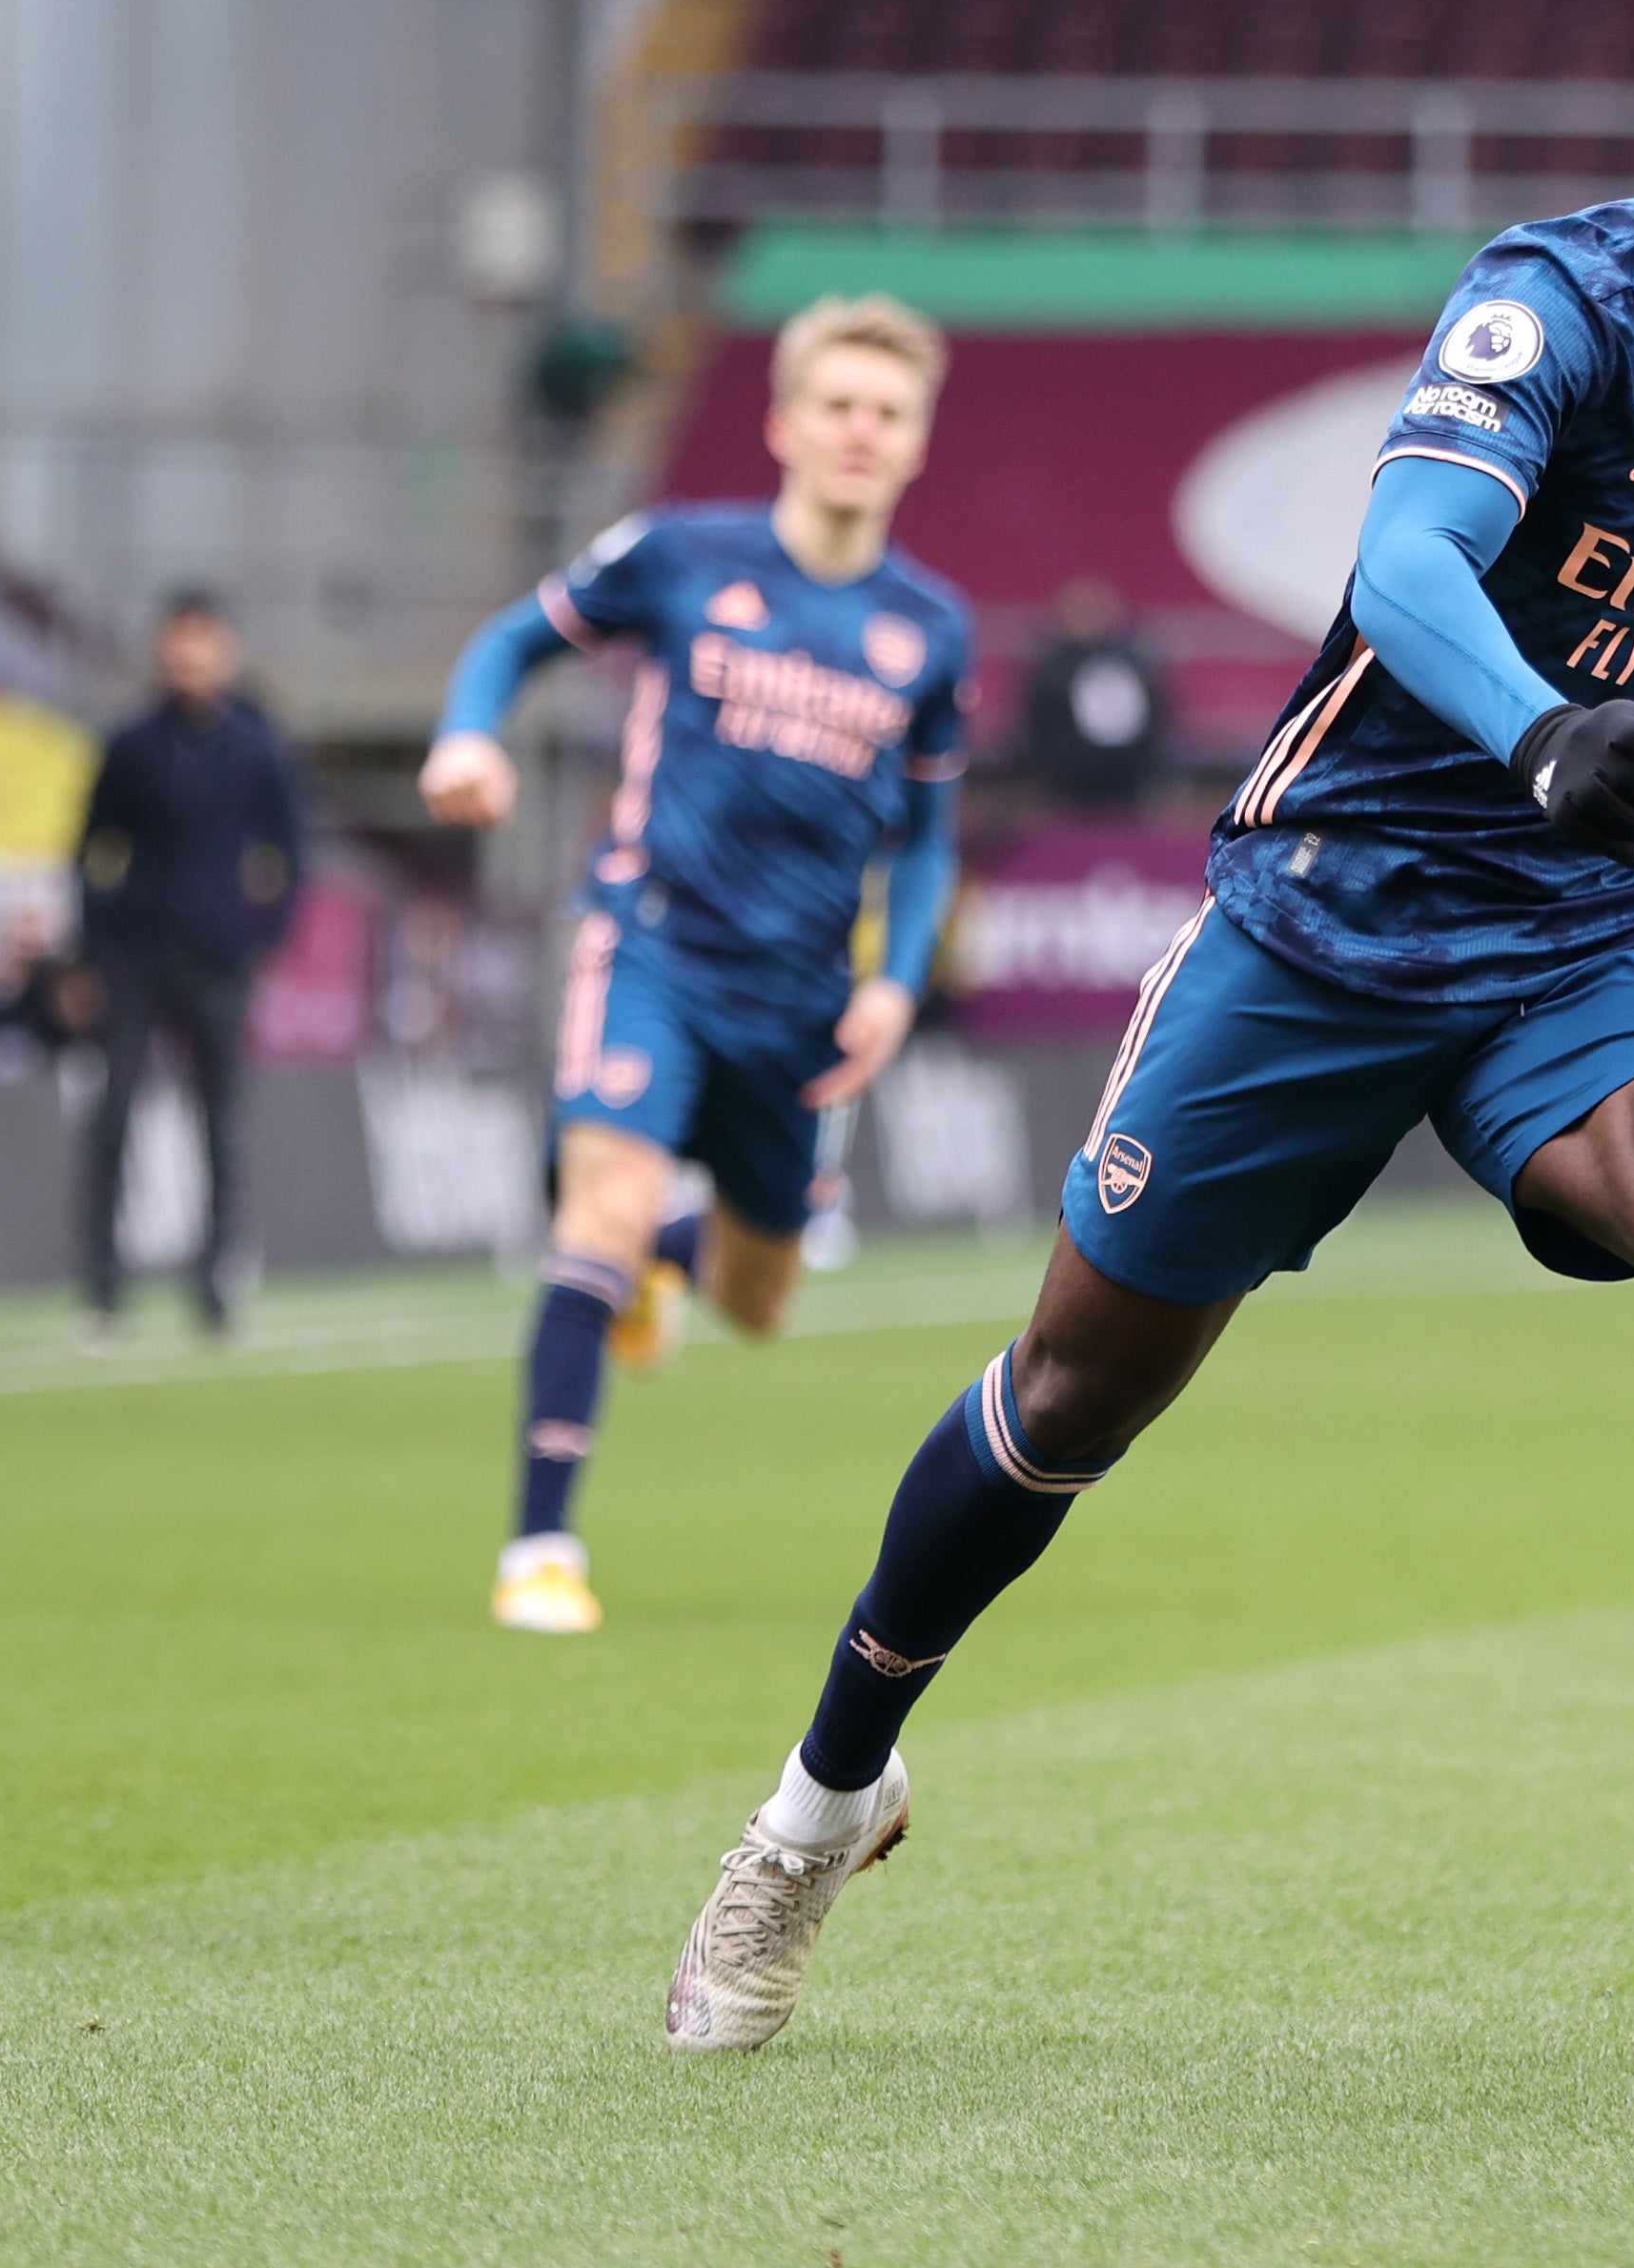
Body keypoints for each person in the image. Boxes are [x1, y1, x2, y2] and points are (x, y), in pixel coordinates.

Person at [659, 0, 1634, 2053]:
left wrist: (1601, 796)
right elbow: (1403, 564)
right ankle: (825, 1798)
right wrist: (1531, 730)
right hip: (1330, 916)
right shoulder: (1556, 308)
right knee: (1073, 1399)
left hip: (1593, 927)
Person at [424, 294, 973, 1637]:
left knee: (759, 1296)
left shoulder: (930, 631)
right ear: (783, 422)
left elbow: (928, 839)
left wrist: (894, 982)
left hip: (798, 1000)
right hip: (650, 942)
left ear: (915, 445)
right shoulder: (679, 556)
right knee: (595, 1208)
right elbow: (513, 640)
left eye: (887, 413)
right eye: (836, 405)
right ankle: (538, 1550)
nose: (859, 431)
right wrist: (468, 736)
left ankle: (674, 1256)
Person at [72, 593, 304, 1340]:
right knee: (115, 1116)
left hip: (217, 958)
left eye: (202, 645)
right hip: (137, 955)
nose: (189, 660)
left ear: (226, 652)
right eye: (178, 644)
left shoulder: (256, 747)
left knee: (221, 1125)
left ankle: (215, 1282)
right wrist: (98, 939)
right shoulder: (132, 744)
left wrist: (258, 933)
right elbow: (88, 847)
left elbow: (291, 854)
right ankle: (104, 1285)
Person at [1019, 576, 1166, 816]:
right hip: (1067, 785)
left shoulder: (1133, 662)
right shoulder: (1051, 666)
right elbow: (1037, 721)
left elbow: (1157, 715)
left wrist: (1152, 769)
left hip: (1127, 782)